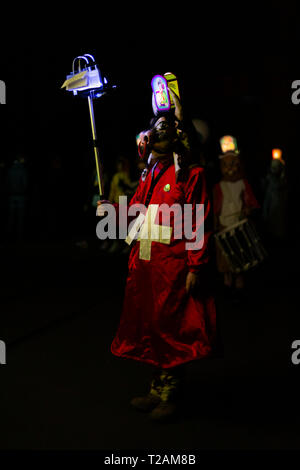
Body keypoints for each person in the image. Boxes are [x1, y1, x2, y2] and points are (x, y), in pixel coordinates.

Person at [97, 88, 217, 420]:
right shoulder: (151, 172)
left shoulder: (192, 174)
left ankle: (171, 391)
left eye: (167, 129)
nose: (158, 134)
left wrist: (196, 265)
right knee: (150, 324)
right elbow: (137, 209)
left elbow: (198, 220)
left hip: (173, 265)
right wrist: (111, 211)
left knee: (171, 327)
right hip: (147, 261)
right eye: (157, 128)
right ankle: (155, 386)